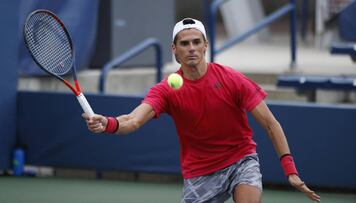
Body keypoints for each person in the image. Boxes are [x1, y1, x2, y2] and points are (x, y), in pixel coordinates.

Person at [83, 18, 321, 203]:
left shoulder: (232, 79)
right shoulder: (166, 89)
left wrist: (290, 170)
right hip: (199, 172)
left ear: (206, 45)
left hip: (240, 160)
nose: (192, 48)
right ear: (174, 49)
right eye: (185, 44)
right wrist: (108, 123)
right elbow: (133, 120)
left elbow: (271, 124)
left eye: (197, 42)